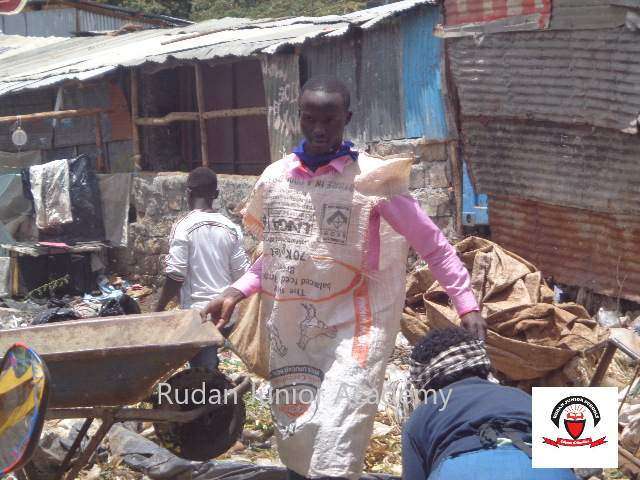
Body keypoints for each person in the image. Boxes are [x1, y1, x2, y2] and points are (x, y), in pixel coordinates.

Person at [201, 76, 487, 479]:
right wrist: (236, 290)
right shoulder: (275, 178)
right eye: (309, 119)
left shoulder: (374, 180)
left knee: (341, 427)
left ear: (346, 119)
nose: (319, 130)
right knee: (297, 430)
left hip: (356, 328)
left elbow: (432, 244)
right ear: (297, 117)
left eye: (330, 120)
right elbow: (279, 255)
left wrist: (466, 302)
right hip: (293, 324)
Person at [402, 327, 577, 480]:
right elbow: (571, 464)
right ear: (484, 369)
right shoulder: (524, 397)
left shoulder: (421, 415)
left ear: (428, 386)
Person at [155, 167, 250, 368]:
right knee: (208, 365)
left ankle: (208, 396)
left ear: (188, 192)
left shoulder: (183, 226)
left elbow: (176, 274)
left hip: (199, 314)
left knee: (202, 373)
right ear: (216, 195)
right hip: (226, 315)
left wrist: (159, 308)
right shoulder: (231, 228)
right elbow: (241, 274)